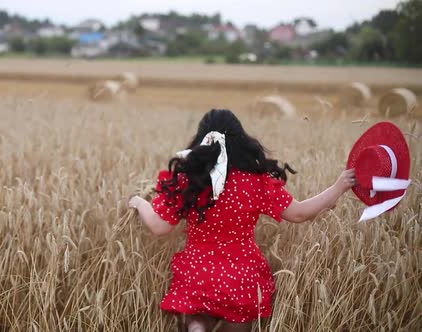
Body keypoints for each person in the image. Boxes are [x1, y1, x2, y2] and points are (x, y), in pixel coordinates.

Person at [128, 109, 355, 332]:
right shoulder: (257, 181)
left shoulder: (191, 179)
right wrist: (339, 187)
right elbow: (299, 213)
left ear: (202, 140)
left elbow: (159, 227)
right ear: (240, 140)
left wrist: (140, 203)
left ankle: (197, 326)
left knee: (196, 319)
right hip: (240, 275)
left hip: (198, 271)